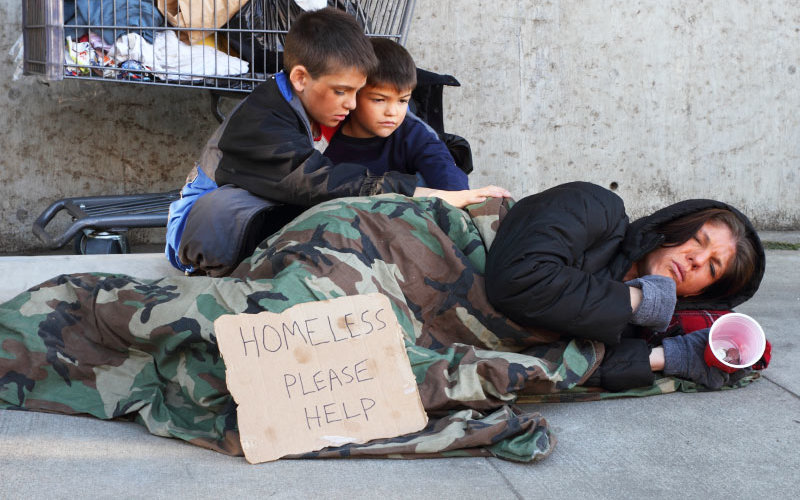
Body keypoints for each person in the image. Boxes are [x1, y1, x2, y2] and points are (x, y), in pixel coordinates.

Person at [166, 7, 507, 277]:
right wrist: (417, 192)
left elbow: (422, 141)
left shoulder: (332, 102)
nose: (351, 103)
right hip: (201, 232)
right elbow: (317, 182)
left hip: (277, 205)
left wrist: (459, 195)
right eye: (342, 92)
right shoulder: (262, 120)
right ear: (300, 78)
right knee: (314, 205)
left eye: (360, 93)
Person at [485, 181, 764, 391]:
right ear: (674, 225)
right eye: (697, 239)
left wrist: (671, 357)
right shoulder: (596, 207)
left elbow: (545, 369)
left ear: (698, 294)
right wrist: (641, 300)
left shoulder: (631, 328)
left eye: (712, 268)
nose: (697, 259)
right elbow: (517, 279)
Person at [323, 38, 470, 191]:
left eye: (402, 101)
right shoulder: (332, 158)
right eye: (379, 100)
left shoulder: (414, 135)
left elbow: (449, 178)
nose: (392, 112)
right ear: (352, 95)